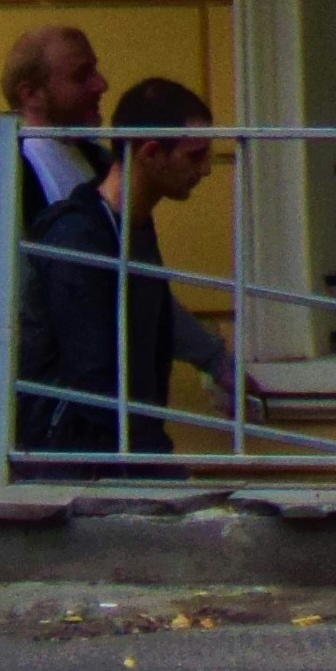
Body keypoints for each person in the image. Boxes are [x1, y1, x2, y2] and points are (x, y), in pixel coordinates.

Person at [0, 23, 122, 475]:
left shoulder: (96, 162)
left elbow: (130, 278)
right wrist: (24, 398)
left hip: (79, 410)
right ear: (32, 94)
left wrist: (212, 359)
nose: (100, 85)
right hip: (1, 421)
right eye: (81, 75)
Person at [94, 81, 239, 472]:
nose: (207, 169)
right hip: (95, 456)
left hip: (131, 442)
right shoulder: (84, 233)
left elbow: (152, 305)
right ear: (152, 154)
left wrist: (214, 359)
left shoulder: (132, 224)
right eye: (195, 156)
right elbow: (83, 366)